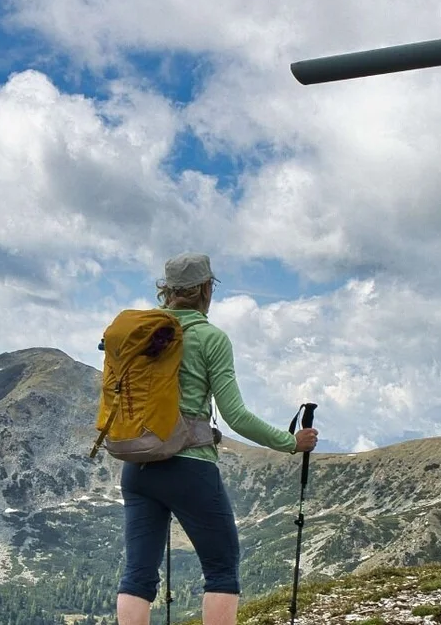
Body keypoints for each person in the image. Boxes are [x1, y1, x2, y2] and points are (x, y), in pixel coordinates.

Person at [115, 252, 320, 625]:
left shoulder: (139, 335)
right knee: (221, 568)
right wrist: (292, 442)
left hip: (137, 466)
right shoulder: (211, 338)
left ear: (167, 290)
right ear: (207, 289)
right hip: (189, 466)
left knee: (138, 574)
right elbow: (236, 415)